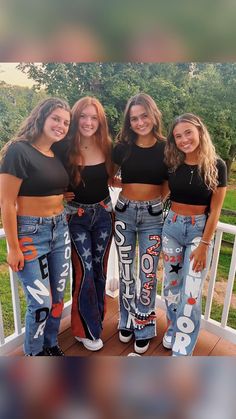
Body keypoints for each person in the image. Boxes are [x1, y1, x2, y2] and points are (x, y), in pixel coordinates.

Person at [0, 98, 71, 356]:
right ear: (41, 117)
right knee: (40, 302)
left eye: (66, 122)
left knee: (56, 299)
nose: (61, 125)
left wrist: (62, 197)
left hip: (60, 230)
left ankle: (51, 344)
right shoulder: (19, 150)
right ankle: (34, 353)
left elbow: (50, 186)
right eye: (56, 119)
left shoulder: (56, 153)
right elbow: (7, 203)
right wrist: (13, 247)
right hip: (31, 233)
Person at [162, 113, 227, 356]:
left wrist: (205, 244)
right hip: (171, 227)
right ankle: (172, 329)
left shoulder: (216, 166)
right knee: (170, 286)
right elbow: (161, 193)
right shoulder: (173, 162)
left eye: (188, 132)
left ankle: (182, 349)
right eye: (178, 136)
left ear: (200, 131)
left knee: (190, 292)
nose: (184, 139)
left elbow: (216, 209)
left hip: (199, 231)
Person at [54, 96, 114, 351]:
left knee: (99, 270)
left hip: (103, 214)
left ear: (100, 121)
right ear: (76, 117)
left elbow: (123, 173)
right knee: (84, 272)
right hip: (75, 217)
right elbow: (45, 175)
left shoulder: (108, 146)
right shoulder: (62, 147)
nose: (88, 122)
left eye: (94, 118)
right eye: (83, 117)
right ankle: (84, 330)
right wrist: (57, 194)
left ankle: (95, 321)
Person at [112, 93, 168, 354]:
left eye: (144, 116)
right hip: (123, 212)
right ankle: (126, 320)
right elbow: (108, 175)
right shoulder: (122, 146)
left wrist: (152, 203)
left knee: (147, 275)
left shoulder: (168, 147)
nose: (139, 122)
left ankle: (143, 326)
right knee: (125, 271)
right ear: (128, 121)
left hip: (152, 217)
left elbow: (167, 184)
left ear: (153, 115)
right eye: (134, 118)